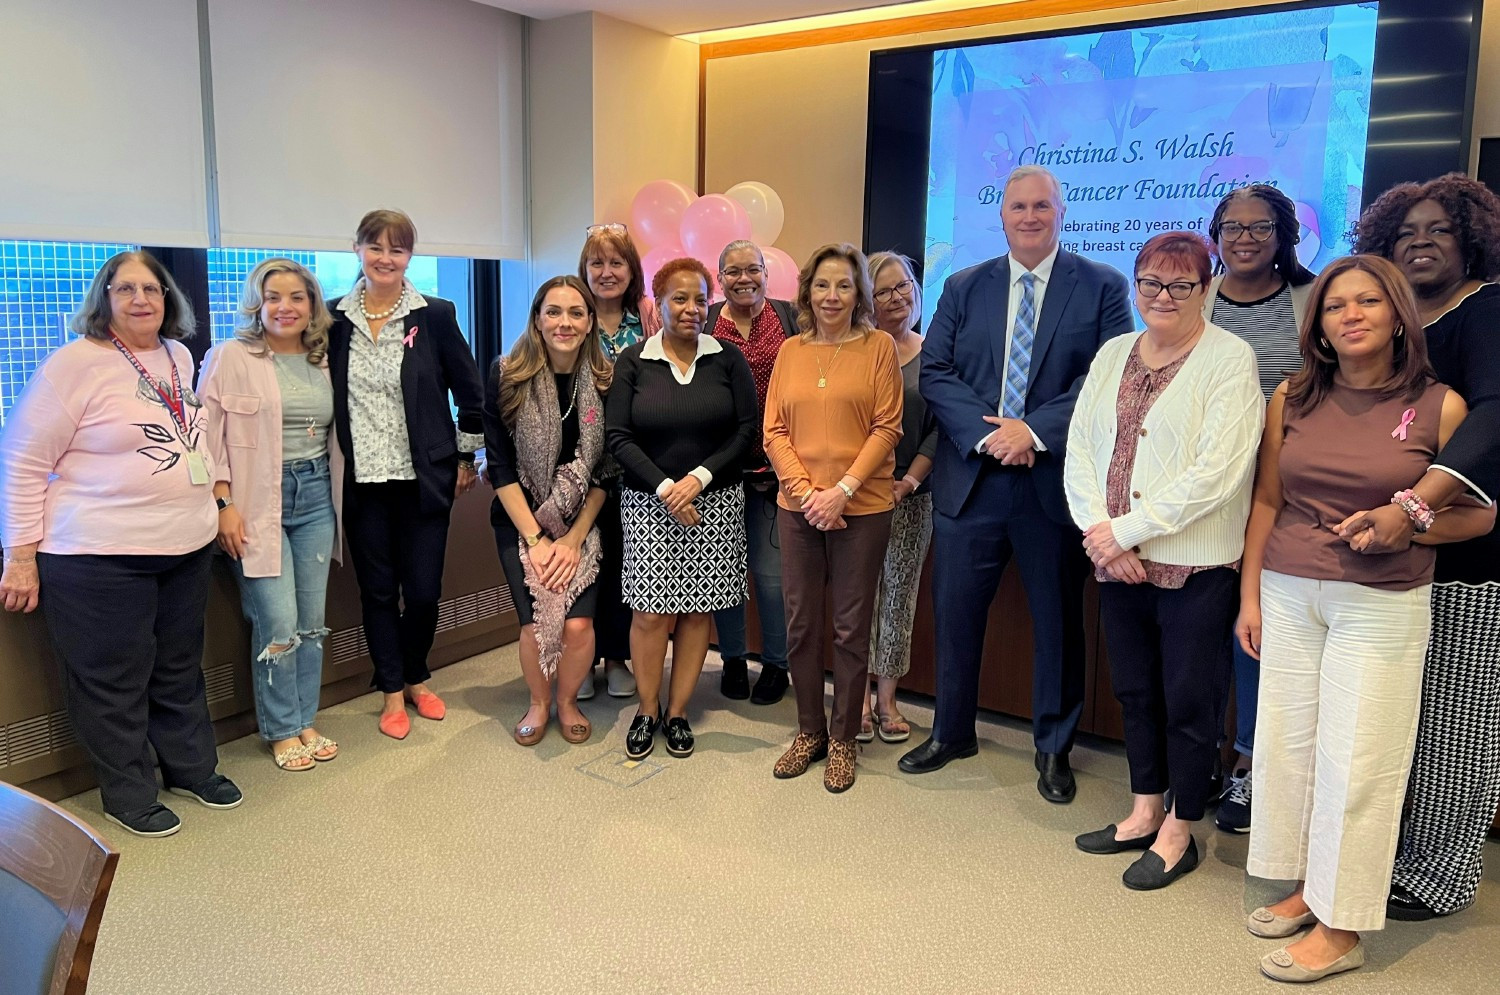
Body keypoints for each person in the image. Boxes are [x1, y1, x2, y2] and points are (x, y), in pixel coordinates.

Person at [1239, 254, 1490, 983]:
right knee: (1291, 747)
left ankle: (1343, 921)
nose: (1349, 314)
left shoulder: (1440, 404)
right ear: (1317, 323)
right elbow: (1266, 501)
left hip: (1380, 603)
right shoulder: (1292, 396)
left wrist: (1406, 528)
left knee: (1360, 759)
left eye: (1367, 302)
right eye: (1334, 304)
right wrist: (1251, 595)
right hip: (1290, 588)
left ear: (1396, 315)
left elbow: (1480, 516)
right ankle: (1307, 885)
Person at [906, 164, 1134, 803]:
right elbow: (938, 373)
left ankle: (1054, 750)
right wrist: (989, 435)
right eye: (1017, 207)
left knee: (1058, 624)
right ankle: (952, 732)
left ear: (1061, 212)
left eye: (1041, 206)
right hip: (970, 482)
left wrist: (1030, 432)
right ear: (1000, 215)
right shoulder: (962, 285)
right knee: (954, 617)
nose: (1029, 217)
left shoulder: (1102, 286)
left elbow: (1103, 378)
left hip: (1050, 484)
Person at [0, 251, 242, 837]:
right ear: (104, 297)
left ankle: (191, 767)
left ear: (168, 299)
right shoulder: (74, 365)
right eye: (125, 288)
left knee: (179, 667)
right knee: (113, 679)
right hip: (95, 556)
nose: (141, 299)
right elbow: (23, 460)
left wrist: (215, 505)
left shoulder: (178, 356)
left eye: (152, 289)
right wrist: (20, 556)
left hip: (183, 547)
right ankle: (128, 794)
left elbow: (194, 443)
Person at [1064, 232, 1263, 890]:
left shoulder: (1230, 359)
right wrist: (1101, 533)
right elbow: (1081, 452)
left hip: (1195, 570)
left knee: (1187, 699)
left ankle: (1181, 827)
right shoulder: (1113, 352)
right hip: (1116, 562)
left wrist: (1123, 532)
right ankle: (1144, 806)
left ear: (1207, 287)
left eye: (1181, 283)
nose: (1163, 295)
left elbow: (1219, 474)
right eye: (1150, 281)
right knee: (1134, 691)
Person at [1351, 173, 1500, 922]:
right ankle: (1397, 852)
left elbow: (1496, 412)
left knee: (1455, 721)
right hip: (1398, 555)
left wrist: (1417, 503)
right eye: (1406, 231)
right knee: (1401, 718)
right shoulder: (1404, 323)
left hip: (1471, 554)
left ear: (1470, 234)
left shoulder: (1489, 309)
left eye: (1438, 229)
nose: (1420, 241)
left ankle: (1441, 873)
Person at [327, 209, 485, 740]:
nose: (385, 258)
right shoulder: (332, 321)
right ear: (357, 250)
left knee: (421, 591)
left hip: (424, 478)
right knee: (376, 591)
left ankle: (417, 672)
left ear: (409, 257)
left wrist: (466, 458)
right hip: (362, 481)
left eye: (397, 249)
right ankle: (393, 689)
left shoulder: (434, 315)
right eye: (375, 247)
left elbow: (470, 393)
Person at [764, 242, 903, 793]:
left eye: (844, 285)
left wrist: (841, 490)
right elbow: (773, 429)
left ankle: (844, 738)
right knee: (801, 625)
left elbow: (887, 426)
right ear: (807, 291)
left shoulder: (879, 347)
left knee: (849, 627)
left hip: (862, 509)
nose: (831, 295)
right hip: (797, 510)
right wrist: (804, 491)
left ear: (859, 294)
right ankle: (808, 731)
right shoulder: (790, 351)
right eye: (822, 284)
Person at [606, 258, 757, 760]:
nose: (691, 309)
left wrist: (698, 479)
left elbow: (744, 433)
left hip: (715, 502)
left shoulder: (729, 359)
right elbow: (618, 437)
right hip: (649, 503)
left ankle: (677, 713)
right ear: (659, 302)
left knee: (697, 614)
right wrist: (669, 487)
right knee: (650, 615)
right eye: (679, 299)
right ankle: (647, 711)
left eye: (699, 299)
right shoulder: (633, 361)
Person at [200, 258, 344, 771]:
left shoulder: (326, 359)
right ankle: (282, 729)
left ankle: (306, 719)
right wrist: (223, 505)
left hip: (315, 498)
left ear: (312, 306)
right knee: (278, 621)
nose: (285, 307)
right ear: (256, 303)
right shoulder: (230, 357)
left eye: (297, 298)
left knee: (311, 622)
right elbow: (205, 440)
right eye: (273, 297)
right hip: (255, 501)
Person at [1203, 184, 1317, 834]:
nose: (1244, 238)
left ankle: (1249, 762)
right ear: (1216, 234)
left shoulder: (1309, 299)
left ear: (1284, 234)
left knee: (1257, 635)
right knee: (1204, 628)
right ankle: (1205, 756)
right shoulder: (1201, 300)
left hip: (1282, 494)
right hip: (1209, 493)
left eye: (1260, 227)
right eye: (1232, 227)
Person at [484, 276, 612, 747]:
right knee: (535, 622)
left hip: (585, 521)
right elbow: (499, 469)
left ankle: (567, 701)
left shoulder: (604, 380)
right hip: (520, 522)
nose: (564, 322)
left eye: (576, 312)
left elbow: (606, 473)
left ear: (590, 322)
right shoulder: (506, 375)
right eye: (553, 311)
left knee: (578, 624)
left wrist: (574, 537)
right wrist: (538, 541)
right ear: (537, 320)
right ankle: (538, 703)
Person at [706, 239, 799, 706]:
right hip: (720, 471)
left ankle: (777, 664)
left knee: (769, 576)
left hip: (777, 470)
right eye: (733, 270)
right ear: (719, 277)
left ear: (767, 273)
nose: (744, 278)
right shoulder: (704, 324)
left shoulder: (790, 318)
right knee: (725, 577)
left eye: (753, 269)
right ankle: (734, 659)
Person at [861, 251, 938, 744]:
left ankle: (887, 699)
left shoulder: (935, 354)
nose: (896, 298)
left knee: (898, 598)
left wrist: (907, 481)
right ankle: (857, 699)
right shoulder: (855, 352)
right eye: (883, 291)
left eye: (903, 285)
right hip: (858, 496)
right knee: (859, 599)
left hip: (913, 495)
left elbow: (940, 430)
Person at [577, 223, 650, 701]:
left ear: (631, 270)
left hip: (635, 463)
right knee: (586, 562)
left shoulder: (646, 318)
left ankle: (618, 657)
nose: (606, 273)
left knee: (627, 563)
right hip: (580, 463)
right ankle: (580, 659)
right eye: (597, 263)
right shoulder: (571, 314)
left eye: (616, 263)